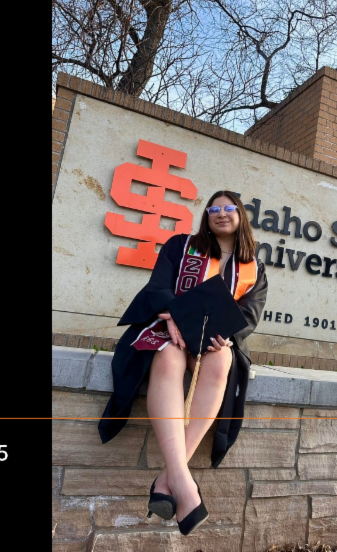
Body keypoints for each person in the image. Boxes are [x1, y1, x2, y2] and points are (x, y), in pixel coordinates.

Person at [97, 190, 268, 535]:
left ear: (240, 215)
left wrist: (225, 335)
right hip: (169, 329)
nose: (221, 213)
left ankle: (168, 479)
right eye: (213, 208)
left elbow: (249, 314)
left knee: (221, 362)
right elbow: (158, 285)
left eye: (228, 208)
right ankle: (184, 486)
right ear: (206, 216)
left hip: (212, 339)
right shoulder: (181, 246)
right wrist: (172, 316)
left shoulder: (254, 268)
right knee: (168, 356)